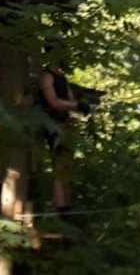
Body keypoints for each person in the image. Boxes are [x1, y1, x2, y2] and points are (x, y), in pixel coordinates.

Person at [37, 56, 81, 213]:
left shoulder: (62, 78)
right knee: (59, 167)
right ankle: (61, 209)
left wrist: (79, 106)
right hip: (52, 126)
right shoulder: (46, 77)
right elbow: (53, 101)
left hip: (65, 125)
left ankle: (67, 207)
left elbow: (71, 100)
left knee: (69, 167)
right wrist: (76, 105)